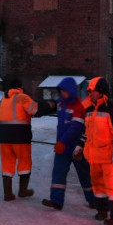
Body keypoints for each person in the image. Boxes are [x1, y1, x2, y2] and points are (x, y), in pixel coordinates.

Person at [74, 77, 113, 225]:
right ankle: (102, 211)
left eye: (93, 91)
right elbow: (86, 132)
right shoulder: (89, 110)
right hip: (93, 157)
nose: (90, 94)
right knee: (97, 185)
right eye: (89, 91)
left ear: (102, 91)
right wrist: (79, 146)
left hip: (109, 156)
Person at [41, 77, 95, 211]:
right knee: (58, 172)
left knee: (85, 174)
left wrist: (62, 142)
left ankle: (93, 200)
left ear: (70, 91)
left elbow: (75, 127)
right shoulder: (61, 103)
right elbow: (53, 103)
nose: (62, 94)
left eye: (64, 91)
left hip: (76, 147)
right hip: (62, 146)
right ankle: (56, 201)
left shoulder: (78, 107)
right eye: (61, 91)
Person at [0, 78, 54, 201]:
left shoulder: (3, 99)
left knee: (7, 164)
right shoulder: (22, 97)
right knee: (24, 163)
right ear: (19, 87)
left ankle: (8, 194)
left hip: (4, 137)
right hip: (21, 136)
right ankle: (23, 191)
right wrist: (49, 105)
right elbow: (36, 111)